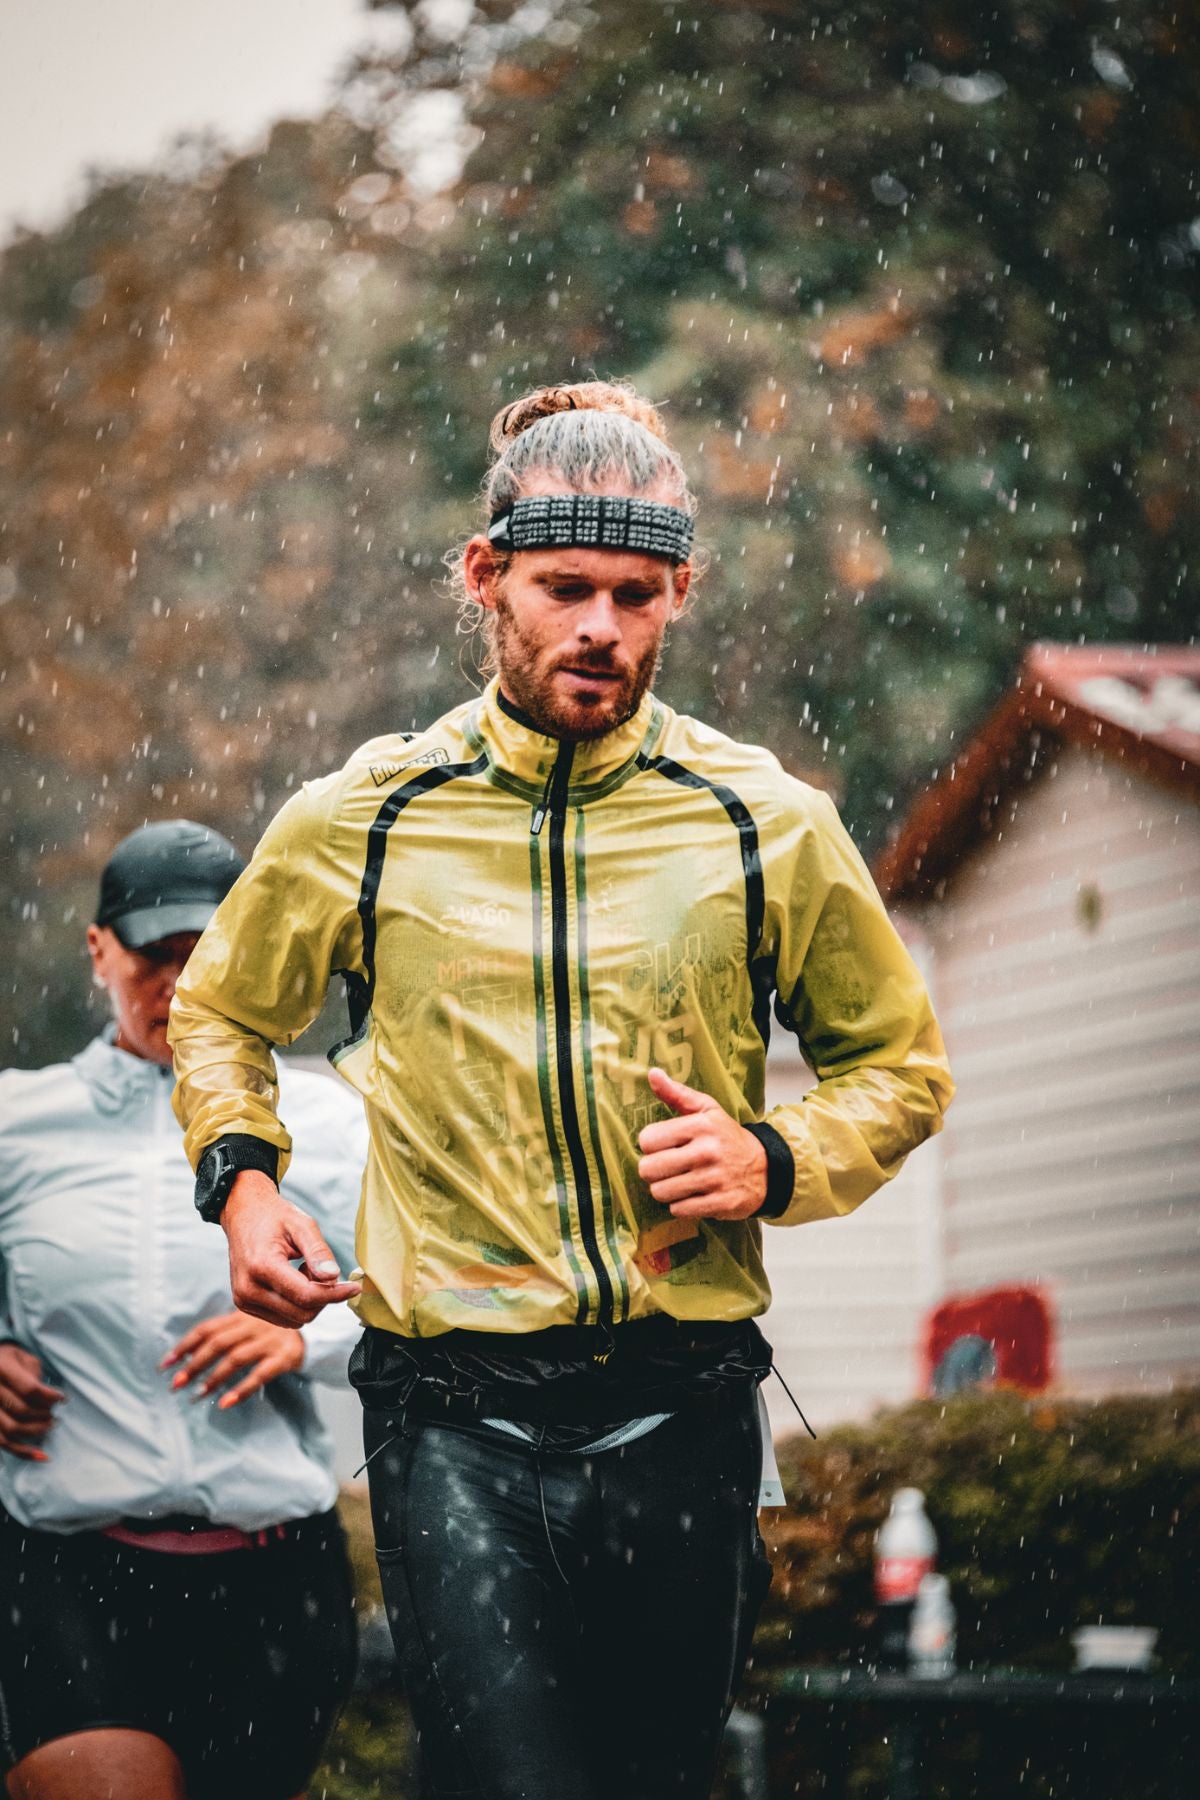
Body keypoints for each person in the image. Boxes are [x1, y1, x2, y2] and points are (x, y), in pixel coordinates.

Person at [169, 381, 955, 1800]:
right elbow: (222, 1008)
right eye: (564, 588)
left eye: (636, 596)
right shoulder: (370, 814)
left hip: (684, 1402)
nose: (601, 626)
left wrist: (776, 1157)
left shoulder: (764, 820)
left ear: (678, 596)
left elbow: (899, 1067)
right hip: (450, 1410)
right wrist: (244, 1179)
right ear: (487, 576)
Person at [0, 820, 365, 1800]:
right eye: (152, 957)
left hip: (275, 1575)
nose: (177, 984)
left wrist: (306, 1341)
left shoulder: (331, 1122)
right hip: (69, 1567)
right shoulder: (15, 1121)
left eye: (204, 955)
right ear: (97, 952)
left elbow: (429, 1313)